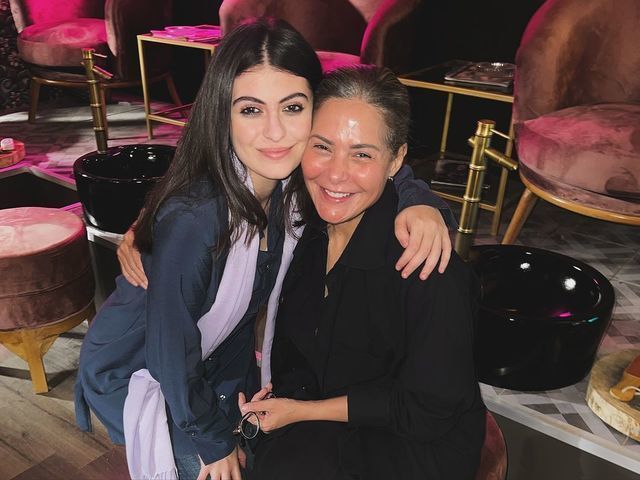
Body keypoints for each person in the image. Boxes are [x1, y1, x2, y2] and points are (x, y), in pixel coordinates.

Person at [75, 18, 453, 480]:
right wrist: (213, 442)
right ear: (223, 114)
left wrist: (421, 201)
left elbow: (373, 156)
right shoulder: (198, 220)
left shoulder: (292, 188)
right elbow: (168, 350)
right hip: (139, 366)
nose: (275, 132)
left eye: (292, 107)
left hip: (217, 355)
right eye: (251, 110)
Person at [240, 66, 486, 480]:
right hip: (322, 415)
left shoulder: (426, 267)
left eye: (362, 154)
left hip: (413, 442)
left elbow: (428, 409)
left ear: (396, 160)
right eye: (323, 147)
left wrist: (302, 412)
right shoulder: (306, 230)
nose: (335, 174)